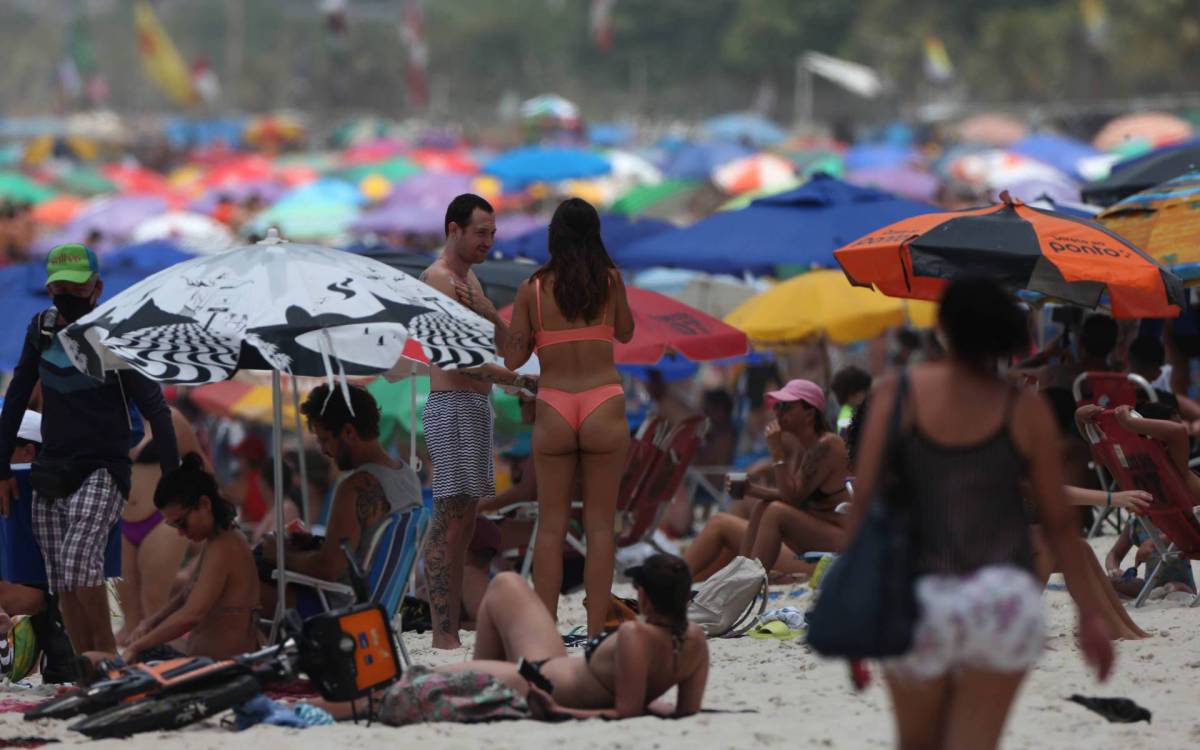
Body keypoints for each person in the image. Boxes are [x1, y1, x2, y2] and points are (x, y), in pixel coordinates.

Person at [849, 278, 1113, 750]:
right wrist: (1090, 614)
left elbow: (866, 506)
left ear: (945, 328)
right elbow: (1059, 524)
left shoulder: (897, 395)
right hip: (1001, 599)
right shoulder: (1023, 408)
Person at [0, 244, 179, 657]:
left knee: (80, 561)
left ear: (96, 289)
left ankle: (106, 661)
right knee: (61, 577)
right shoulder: (40, 330)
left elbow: (156, 407)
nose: (67, 296)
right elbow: (17, 396)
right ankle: (86, 667)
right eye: (59, 287)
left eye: (76, 288)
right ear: (49, 291)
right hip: (52, 467)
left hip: (104, 465)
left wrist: (174, 480)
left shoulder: (112, 334)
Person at [321, 554, 708, 721]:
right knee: (507, 584)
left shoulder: (634, 638)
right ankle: (477, 674)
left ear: (643, 596)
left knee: (413, 685)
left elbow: (624, 713)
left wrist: (561, 713)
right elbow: (683, 711)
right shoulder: (694, 640)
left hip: (534, 683)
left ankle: (319, 710)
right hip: (552, 665)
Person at [502, 198, 635, 636]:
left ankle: (545, 628)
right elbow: (626, 332)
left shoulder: (532, 290)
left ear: (553, 237)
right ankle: (597, 629)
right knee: (599, 527)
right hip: (602, 402)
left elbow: (515, 356)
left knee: (551, 526)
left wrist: (493, 316)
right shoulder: (611, 282)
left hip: (556, 404)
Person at [419, 193, 514, 650]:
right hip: (453, 403)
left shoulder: (470, 279)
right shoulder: (439, 279)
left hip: (474, 405)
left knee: (466, 524)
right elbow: (457, 359)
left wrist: (489, 313)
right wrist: (521, 381)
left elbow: (501, 339)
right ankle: (442, 632)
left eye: (493, 233)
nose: (489, 242)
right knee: (449, 522)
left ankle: (450, 626)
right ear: (453, 229)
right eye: (481, 232)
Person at [260, 384, 420, 612]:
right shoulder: (406, 475)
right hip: (383, 604)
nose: (323, 450)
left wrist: (280, 555)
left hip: (341, 607)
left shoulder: (355, 487)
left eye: (324, 439)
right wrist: (313, 545)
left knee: (244, 582)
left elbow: (330, 568)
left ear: (348, 432)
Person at [117, 454, 259, 662]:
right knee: (96, 662)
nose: (181, 533)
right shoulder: (216, 539)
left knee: (100, 662)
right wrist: (150, 622)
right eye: (174, 526)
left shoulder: (225, 544)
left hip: (220, 668)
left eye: (182, 523)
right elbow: (186, 595)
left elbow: (191, 615)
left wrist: (139, 645)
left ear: (205, 504)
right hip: (201, 658)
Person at [116, 408, 207, 647]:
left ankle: (171, 667)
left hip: (160, 518)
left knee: (155, 606)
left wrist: (213, 506)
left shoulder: (171, 418)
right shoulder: (109, 413)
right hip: (120, 516)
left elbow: (198, 460)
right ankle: (137, 676)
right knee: (129, 622)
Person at [738, 380, 852, 571]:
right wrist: (752, 490)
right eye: (778, 407)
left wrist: (776, 451)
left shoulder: (826, 445)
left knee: (775, 512)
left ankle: (747, 583)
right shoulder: (808, 447)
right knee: (762, 506)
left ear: (809, 414)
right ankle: (737, 577)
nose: (778, 413)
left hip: (844, 538)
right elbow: (792, 494)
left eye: (787, 407)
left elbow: (792, 498)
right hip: (825, 529)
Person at [830, 365, 872, 437]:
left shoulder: (852, 411)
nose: (867, 396)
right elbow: (844, 439)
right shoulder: (846, 415)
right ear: (852, 394)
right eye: (864, 391)